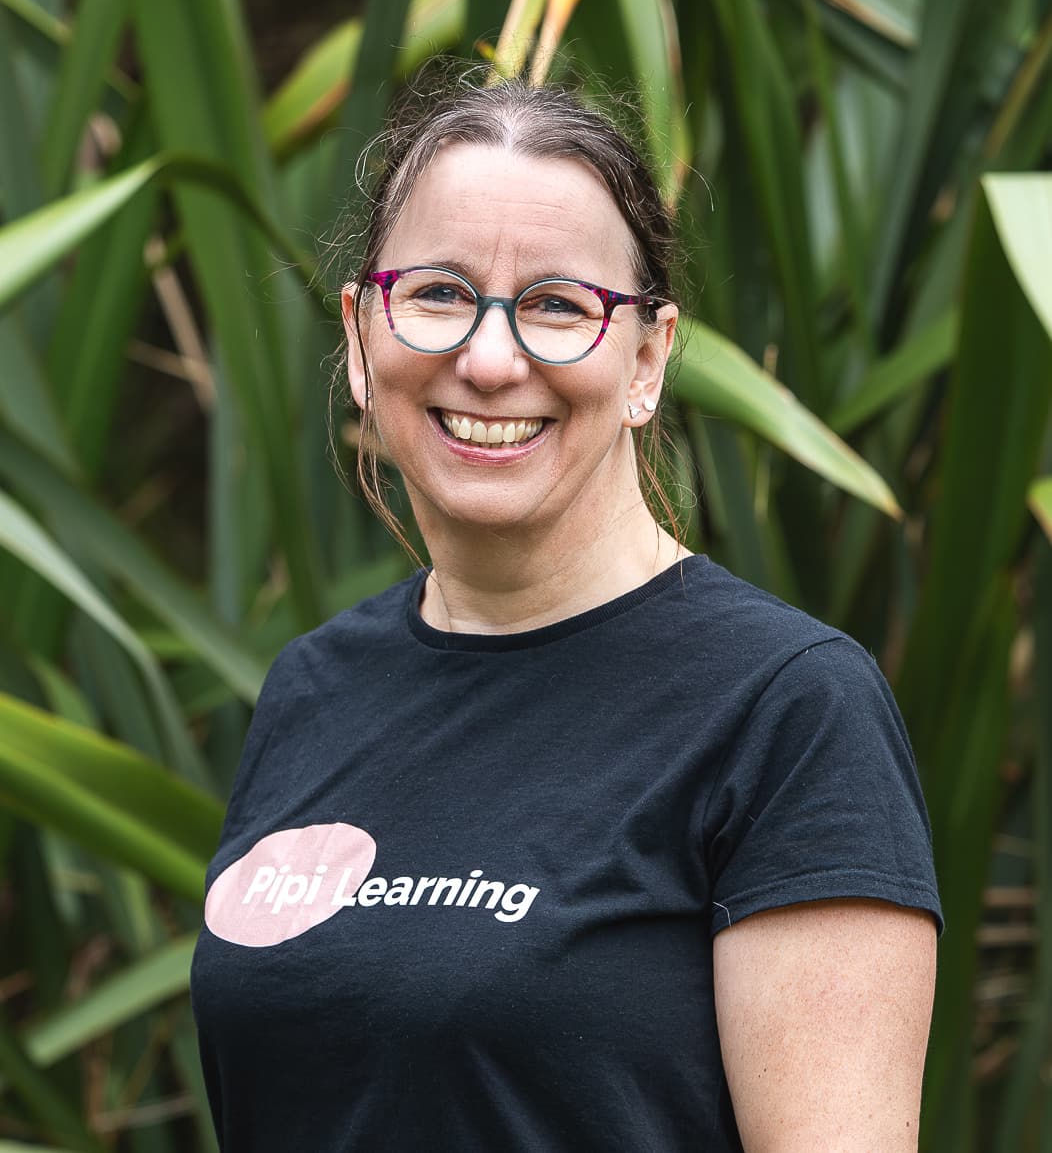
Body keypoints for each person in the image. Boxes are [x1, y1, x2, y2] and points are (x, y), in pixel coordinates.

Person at [191, 79, 941, 1152]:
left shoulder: (786, 708)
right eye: (439, 291)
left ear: (644, 358)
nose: (490, 360)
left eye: (555, 304)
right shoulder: (314, 686)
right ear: (361, 336)